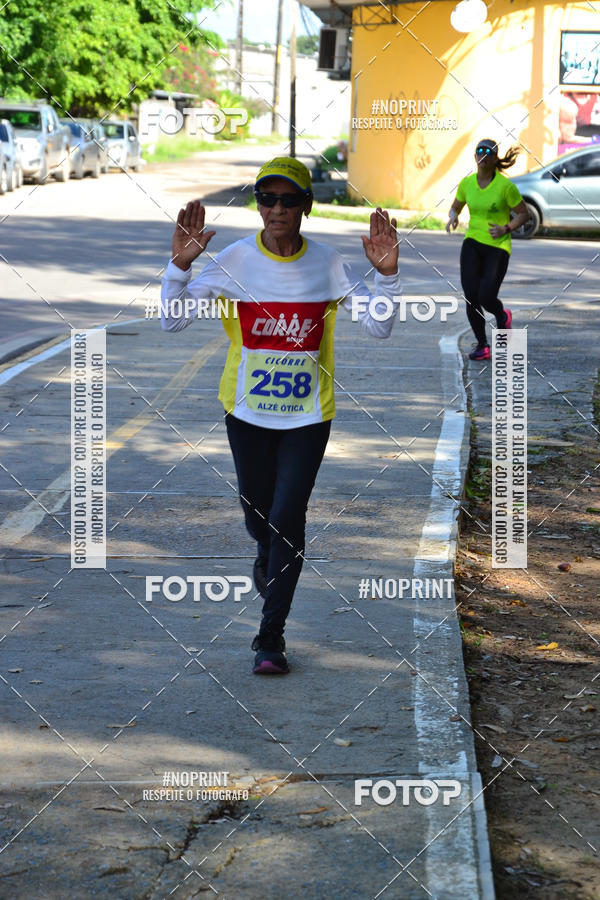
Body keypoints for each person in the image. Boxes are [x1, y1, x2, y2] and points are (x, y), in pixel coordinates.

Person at [160, 157, 401, 674]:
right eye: (266, 199)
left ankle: (271, 638)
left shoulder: (328, 264)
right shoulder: (234, 261)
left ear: (305, 207)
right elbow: (174, 321)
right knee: (259, 519)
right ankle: (266, 554)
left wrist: (387, 278)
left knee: (288, 520)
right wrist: (180, 267)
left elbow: (378, 328)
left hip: (307, 419)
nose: (275, 209)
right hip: (246, 414)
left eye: (287, 199)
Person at [446, 139, 530, 360]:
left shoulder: (505, 187)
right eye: (479, 151)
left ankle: (502, 316)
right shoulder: (467, 183)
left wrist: (506, 228)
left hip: (498, 246)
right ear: (475, 156)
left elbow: (524, 214)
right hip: (472, 242)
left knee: (486, 296)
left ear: (494, 158)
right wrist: (453, 218)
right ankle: (482, 345)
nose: (483, 155)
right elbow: (456, 206)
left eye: (488, 152)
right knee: (471, 296)